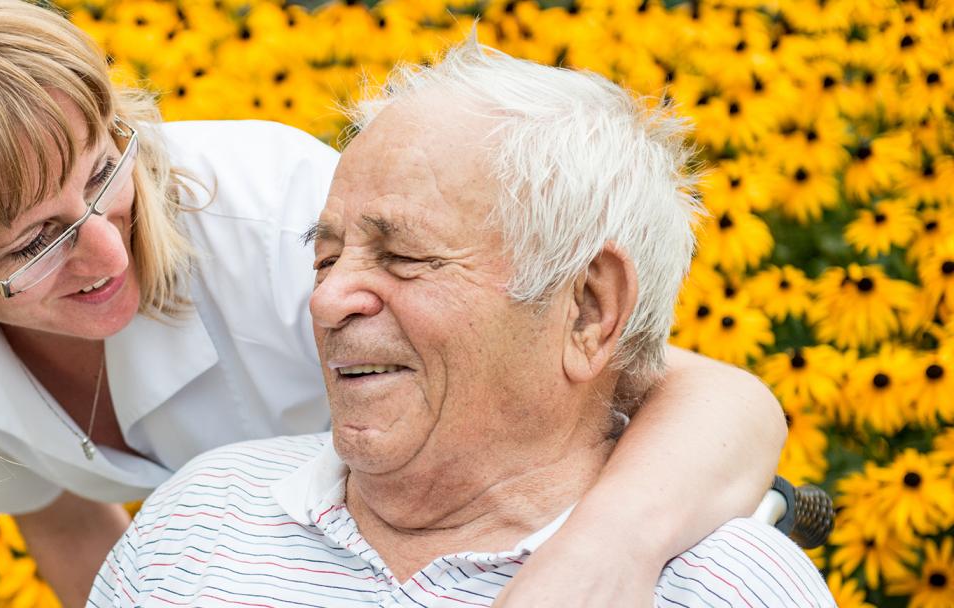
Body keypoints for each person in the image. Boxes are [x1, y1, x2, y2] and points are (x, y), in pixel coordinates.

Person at [0, 1, 790, 604]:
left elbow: (685, 391)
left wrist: (595, 559)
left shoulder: (277, 225)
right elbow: (59, 513)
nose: (104, 250)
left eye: (103, 173)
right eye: (31, 242)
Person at [89, 39, 834, 607]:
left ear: (588, 309)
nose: (325, 302)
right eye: (325, 259)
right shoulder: (193, 523)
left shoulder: (726, 589)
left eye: (404, 255)